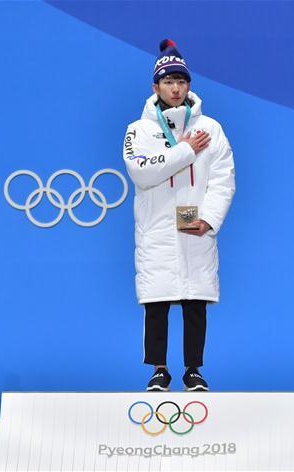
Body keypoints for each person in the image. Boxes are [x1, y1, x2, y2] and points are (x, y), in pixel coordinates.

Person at [122, 39, 236, 392]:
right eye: (168, 82)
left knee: (194, 299)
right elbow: (141, 171)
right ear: (155, 87)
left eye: (182, 81)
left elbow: (223, 177)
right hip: (156, 222)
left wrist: (210, 218)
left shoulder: (211, 128)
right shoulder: (138, 130)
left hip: (191, 217)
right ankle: (159, 369)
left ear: (190, 85)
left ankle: (193, 369)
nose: (176, 88)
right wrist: (186, 150)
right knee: (157, 301)